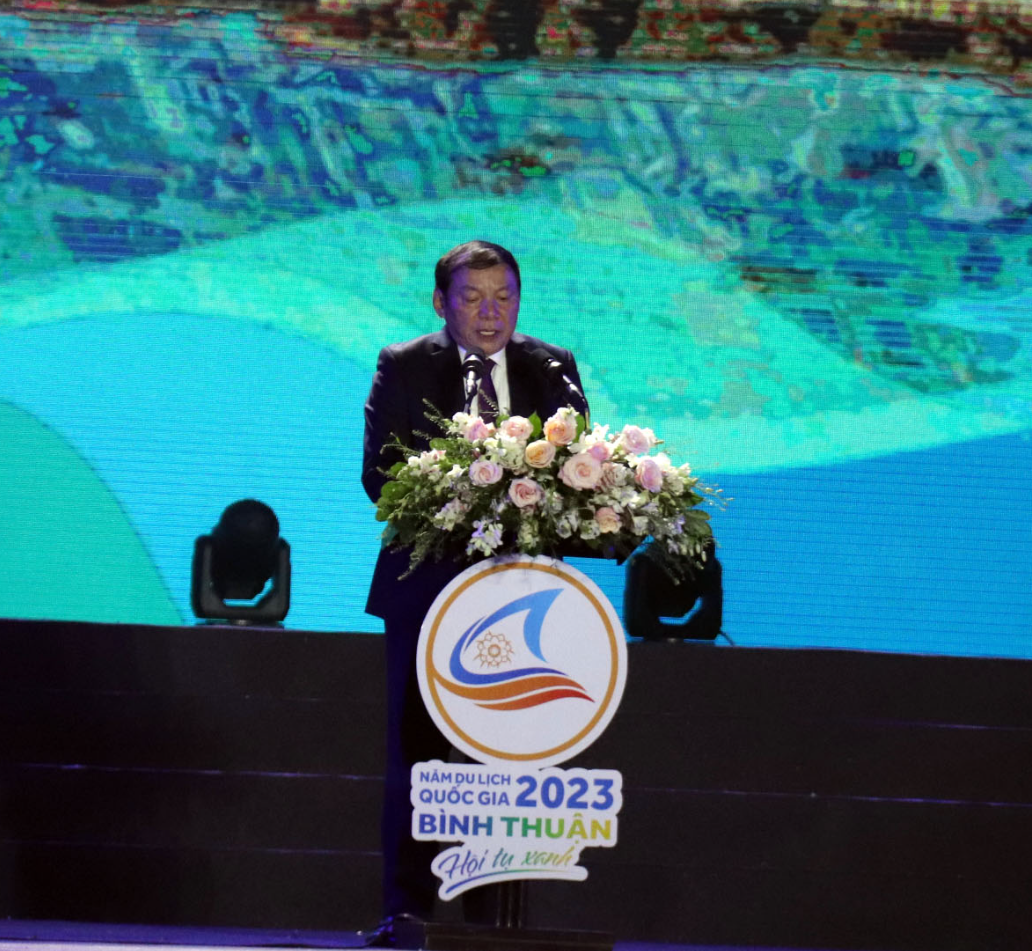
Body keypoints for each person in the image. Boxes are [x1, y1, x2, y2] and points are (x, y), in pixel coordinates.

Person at [360, 240, 587, 945]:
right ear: (441, 302)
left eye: (504, 297)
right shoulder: (404, 365)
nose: (491, 314)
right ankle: (406, 913)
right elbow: (380, 476)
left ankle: (496, 918)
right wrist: (466, 499)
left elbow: (579, 470)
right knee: (419, 756)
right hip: (426, 588)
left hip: (525, 597)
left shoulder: (551, 366)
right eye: (473, 298)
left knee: (510, 758)